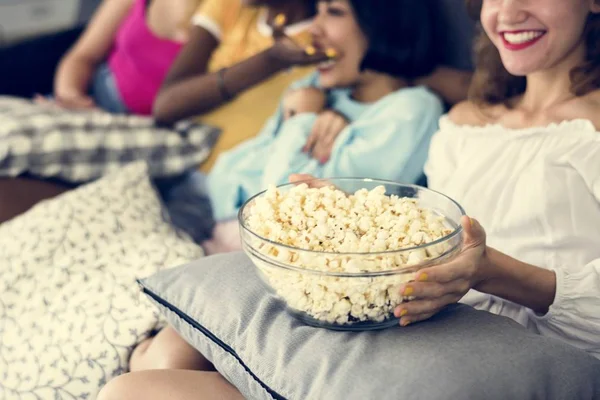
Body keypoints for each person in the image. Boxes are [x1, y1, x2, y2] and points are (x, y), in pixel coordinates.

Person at [96, 0, 447, 397]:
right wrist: (308, 116)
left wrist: (299, 123)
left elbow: (279, 212)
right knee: (149, 357)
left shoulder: (411, 110)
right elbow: (227, 176)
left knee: (156, 362)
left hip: (302, 280)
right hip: (231, 252)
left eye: (333, 12)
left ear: (384, 21)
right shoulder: (309, 91)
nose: (314, 28)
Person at [32, 0, 200, 115]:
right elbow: (82, 56)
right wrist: (71, 96)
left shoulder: (219, 17)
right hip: (89, 97)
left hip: (148, 129)